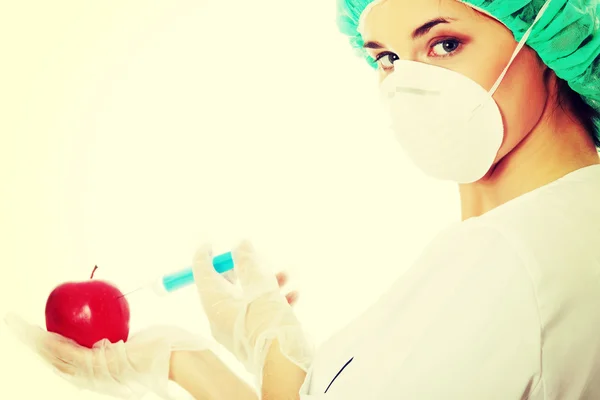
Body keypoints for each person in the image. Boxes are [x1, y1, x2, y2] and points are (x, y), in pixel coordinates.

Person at [6, 0, 600, 398]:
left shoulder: (512, 256)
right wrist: (259, 345)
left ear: (550, 35)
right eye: (386, 57)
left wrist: (189, 363)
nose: (409, 83)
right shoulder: (543, 225)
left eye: (444, 44)